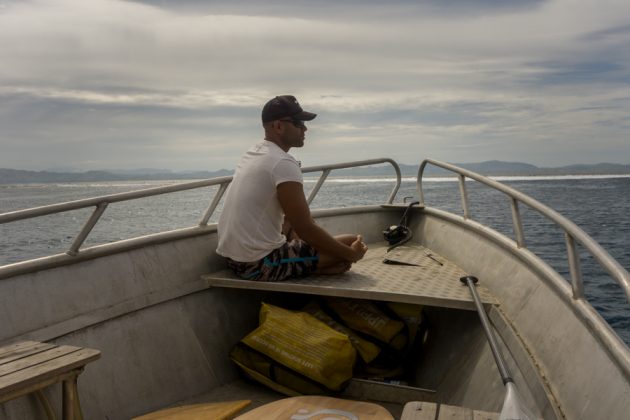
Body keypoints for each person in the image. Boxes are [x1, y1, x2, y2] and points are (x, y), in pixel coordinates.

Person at [216, 95, 368, 281]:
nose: (305, 128)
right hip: (258, 265)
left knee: (304, 231)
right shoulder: (283, 162)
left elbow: (295, 221)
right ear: (278, 126)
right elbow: (305, 228)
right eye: (298, 123)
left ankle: (312, 263)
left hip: (233, 259)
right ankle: (315, 265)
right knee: (351, 243)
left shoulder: (254, 153)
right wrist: (352, 255)